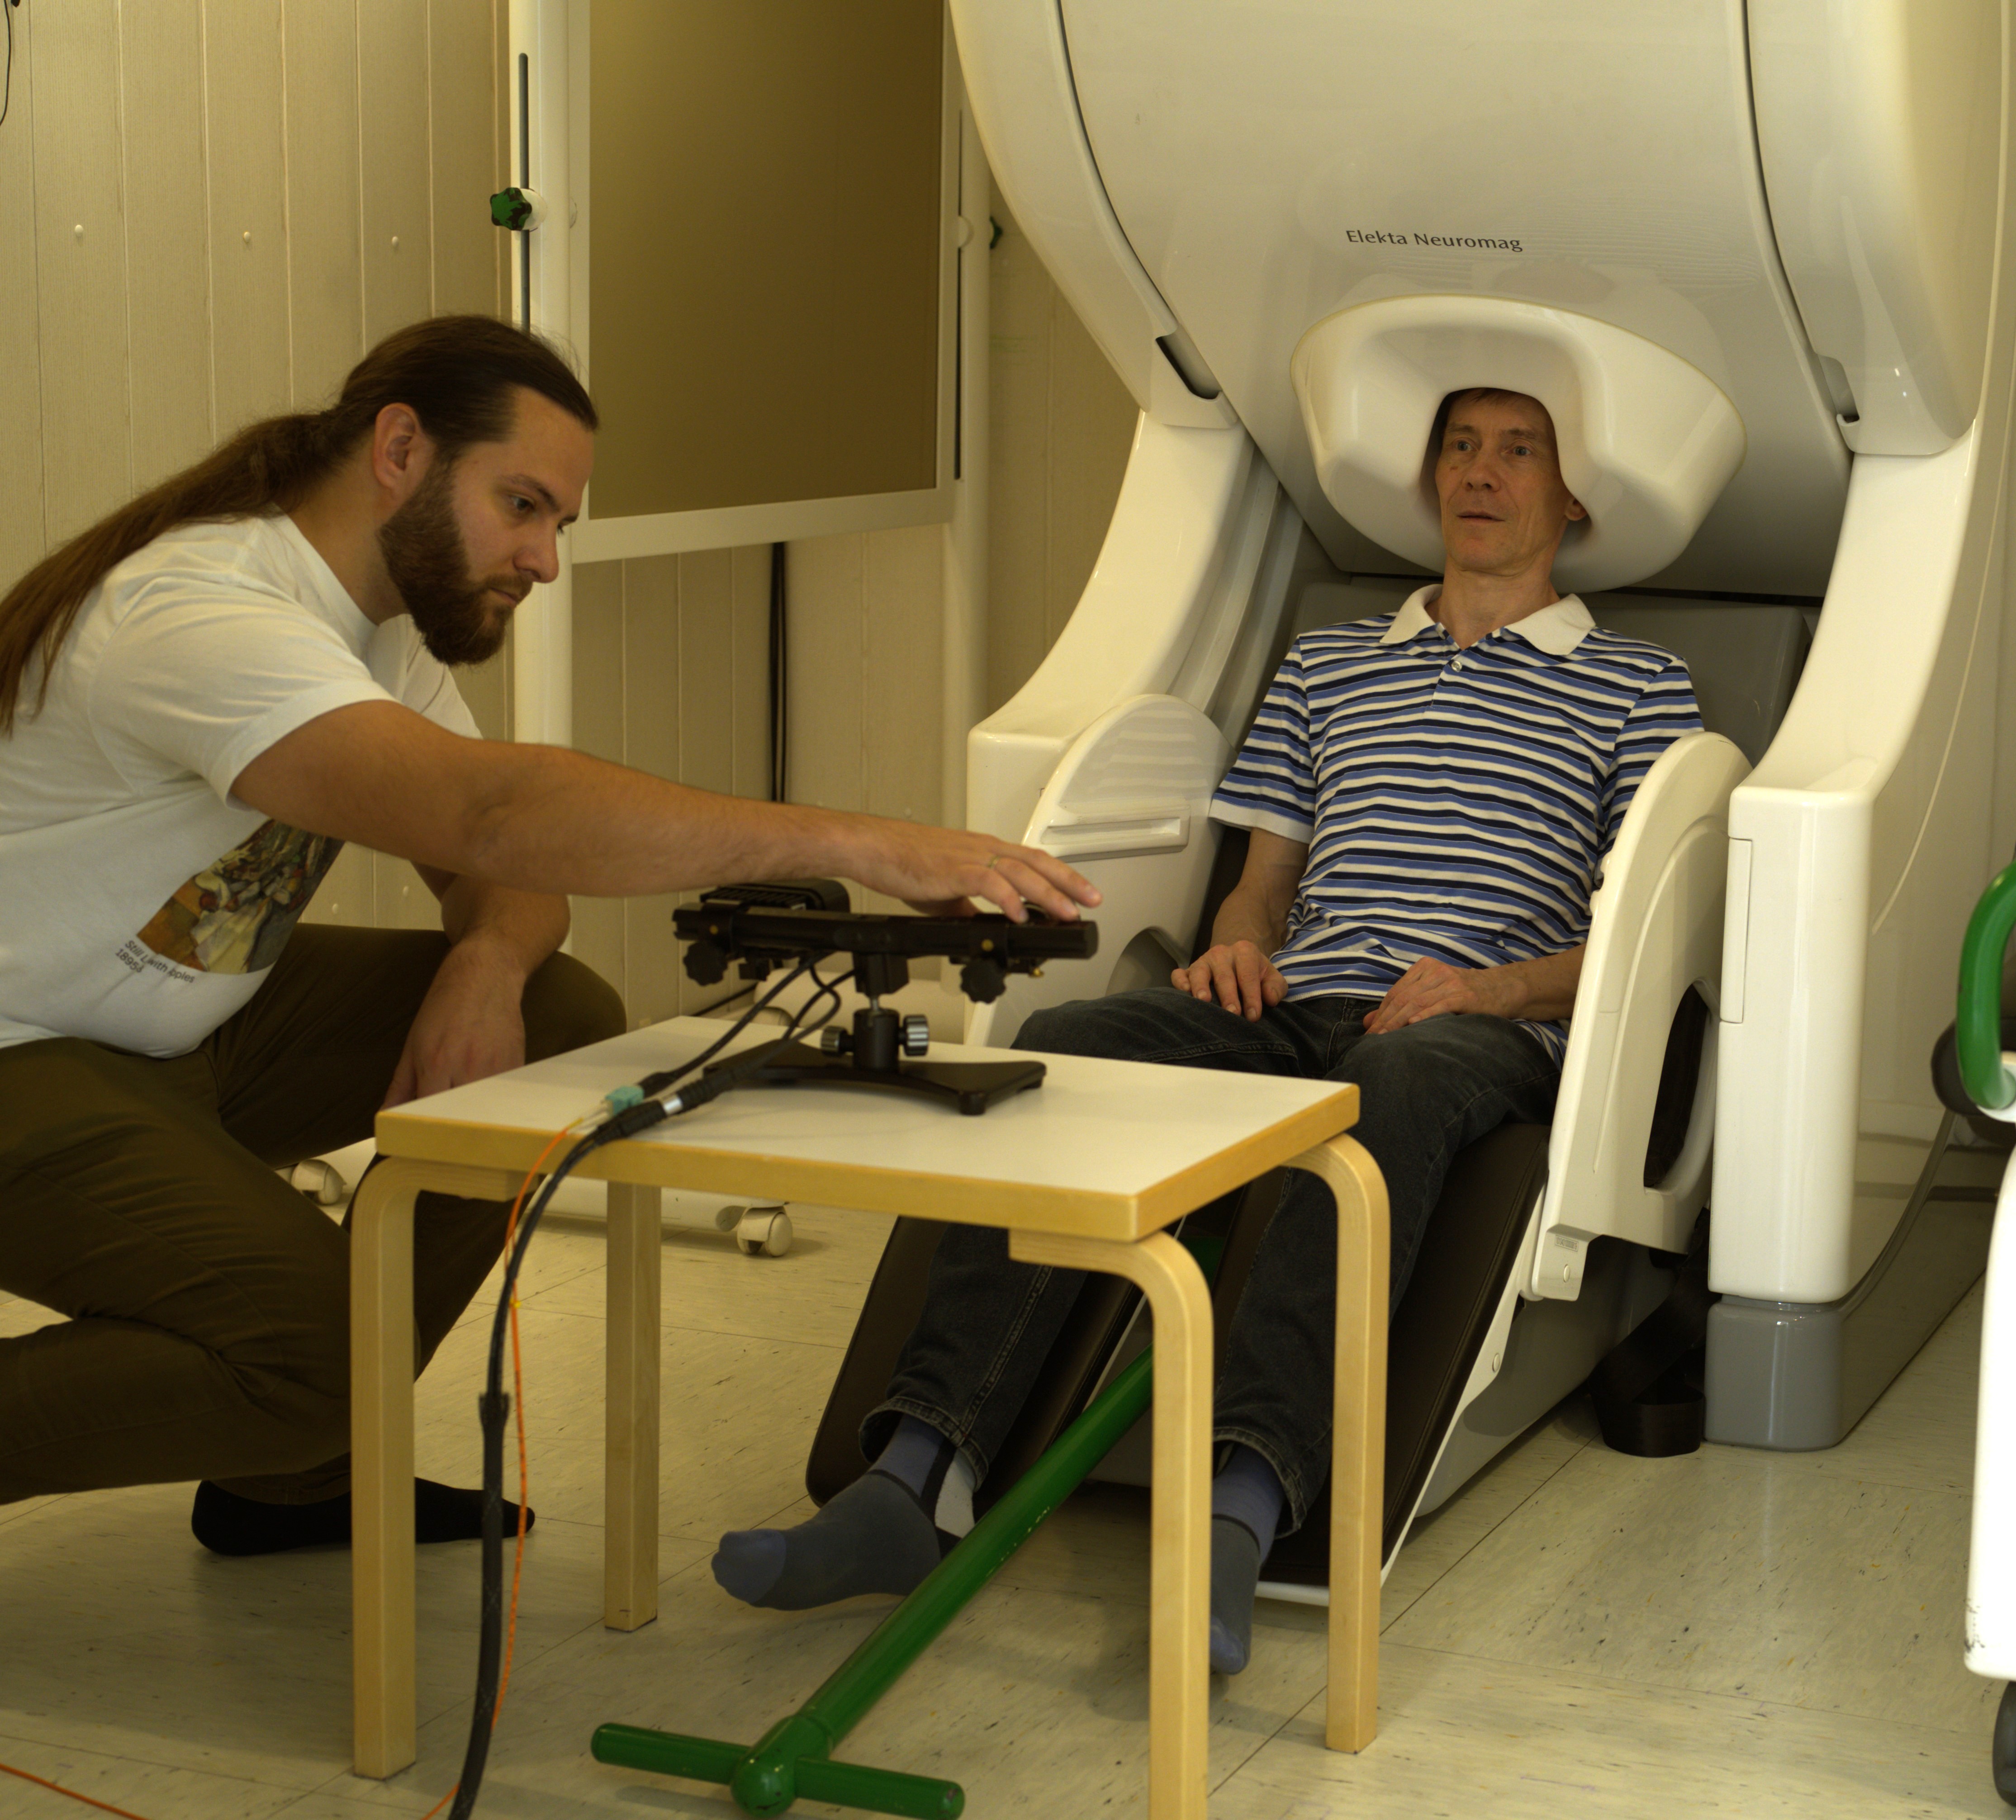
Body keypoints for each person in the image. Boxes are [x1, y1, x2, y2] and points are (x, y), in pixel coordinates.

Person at [0, 314, 1096, 1555]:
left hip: (181, 1030)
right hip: (26, 1051)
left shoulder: (370, 629)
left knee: (555, 1011)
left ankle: (296, 1470)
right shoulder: (202, 611)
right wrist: (865, 844)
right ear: (400, 450)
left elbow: (507, 875)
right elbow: (501, 814)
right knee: (315, 1347)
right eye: (521, 505)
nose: (545, 559)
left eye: (558, 522)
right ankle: (311, 1400)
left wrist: (484, 960)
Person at [713, 388, 1703, 1673]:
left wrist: (1494, 991)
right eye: (1459, 446)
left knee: (1388, 1087)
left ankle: (1239, 1512)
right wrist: (1238, 942)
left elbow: (1643, 940)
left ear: (1571, 498)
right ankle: (914, 1478)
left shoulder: (1637, 686)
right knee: (1066, 1046)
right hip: (1294, 1000)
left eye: (1520, 451)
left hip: (1473, 1027)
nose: (1482, 473)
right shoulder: (1331, 665)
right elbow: (1262, 882)